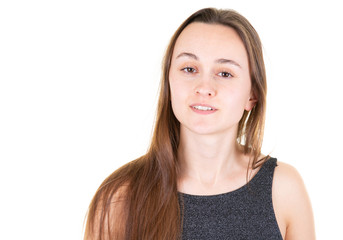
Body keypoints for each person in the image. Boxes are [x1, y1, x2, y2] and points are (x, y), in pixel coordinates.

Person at [84, 8, 315, 240]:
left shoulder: (284, 190)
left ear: (252, 94)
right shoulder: (119, 197)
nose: (204, 87)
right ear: (169, 84)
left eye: (225, 73)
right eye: (189, 69)